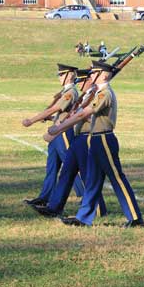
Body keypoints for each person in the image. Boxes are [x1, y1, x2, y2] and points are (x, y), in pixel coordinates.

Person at [49, 61, 144, 227]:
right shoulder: (97, 93)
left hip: (104, 139)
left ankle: (135, 217)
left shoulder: (104, 93)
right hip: (95, 139)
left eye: (95, 73)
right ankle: (83, 218)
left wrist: (59, 128)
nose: (91, 75)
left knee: (117, 179)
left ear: (104, 75)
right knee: (92, 180)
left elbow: (84, 114)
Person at [32, 68, 108, 218]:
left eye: (85, 80)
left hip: (85, 137)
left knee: (86, 174)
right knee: (66, 173)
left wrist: (61, 125)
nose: (81, 84)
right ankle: (54, 207)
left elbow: (89, 116)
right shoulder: (85, 96)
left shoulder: (96, 95)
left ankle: (99, 208)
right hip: (78, 135)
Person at [21, 64, 83, 207]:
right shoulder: (65, 91)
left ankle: (85, 196)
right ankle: (45, 197)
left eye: (62, 74)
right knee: (52, 167)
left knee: (70, 165)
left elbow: (55, 108)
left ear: (70, 75)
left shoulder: (71, 92)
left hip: (63, 133)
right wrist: (50, 118)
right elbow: (59, 112)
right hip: (56, 132)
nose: (60, 77)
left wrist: (32, 120)